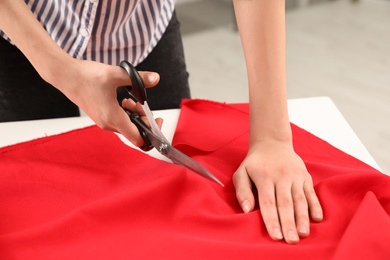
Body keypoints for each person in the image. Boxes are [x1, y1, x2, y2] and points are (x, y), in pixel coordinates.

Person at [0, 0, 323, 244]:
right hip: (21, 31)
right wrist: (59, 69)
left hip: (139, 23)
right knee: (30, 188)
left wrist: (273, 138)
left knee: (170, 170)